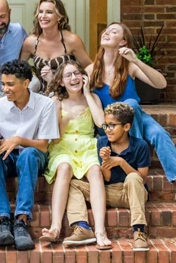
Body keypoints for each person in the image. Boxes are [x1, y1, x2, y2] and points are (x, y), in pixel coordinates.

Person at [86, 22, 176, 210]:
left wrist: (137, 61)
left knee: (159, 133)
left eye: (113, 32)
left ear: (123, 41)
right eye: (105, 31)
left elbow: (161, 84)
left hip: (137, 118)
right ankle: (136, 168)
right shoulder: (91, 71)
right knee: (128, 106)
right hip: (110, 125)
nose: (106, 33)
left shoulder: (129, 65)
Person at [0, 60, 60, 251]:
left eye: (10, 84)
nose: (5, 89)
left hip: (34, 158)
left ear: (26, 83)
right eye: (3, 84)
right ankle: (3, 220)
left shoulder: (45, 105)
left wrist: (18, 139)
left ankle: (21, 220)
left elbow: (43, 146)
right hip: (8, 157)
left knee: (28, 154)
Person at [39, 61, 111, 250]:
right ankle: (55, 228)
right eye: (68, 75)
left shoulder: (93, 97)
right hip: (63, 147)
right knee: (64, 168)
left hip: (87, 146)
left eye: (77, 74)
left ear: (84, 77)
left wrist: (87, 93)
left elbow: (101, 123)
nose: (74, 78)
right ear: (61, 82)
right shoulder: (56, 101)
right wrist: (65, 119)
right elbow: (54, 139)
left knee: (96, 171)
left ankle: (100, 230)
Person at [65, 102, 150, 250]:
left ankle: (139, 231)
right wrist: (105, 161)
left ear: (126, 127)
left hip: (131, 193)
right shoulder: (102, 142)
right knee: (73, 184)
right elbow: (107, 178)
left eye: (112, 125)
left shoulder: (140, 145)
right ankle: (82, 226)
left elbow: (142, 179)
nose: (108, 130)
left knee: (133, 177)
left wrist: (121, 162)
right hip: (109, 192)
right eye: (105, 125)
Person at [19, 0, 91, 92]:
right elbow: (19, 69)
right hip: (41, 95)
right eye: (40, 12)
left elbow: (89, 67)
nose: (43, 16)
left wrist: (82, 87)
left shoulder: (72, 40)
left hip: (67, 94)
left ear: (59, 17)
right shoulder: (31, 42)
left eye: (49, 12)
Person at [0, 0, 28, 66]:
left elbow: (33, 49)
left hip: (14, 76)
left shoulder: (19, 30)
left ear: (9, 12)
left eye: (2, 16)